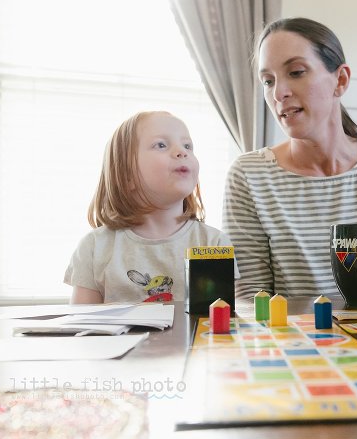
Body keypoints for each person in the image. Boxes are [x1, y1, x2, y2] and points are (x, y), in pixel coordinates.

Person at [224, 17, 357, 299]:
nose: (279, 93)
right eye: (268, 81)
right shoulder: (249, 175)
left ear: (340, 80)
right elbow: (250, 298)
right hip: (291, 343)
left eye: (296, 72)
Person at [64, 111, 234, 304]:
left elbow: (222, 322)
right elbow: (82, 325)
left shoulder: (214, 242)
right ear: (126, 175)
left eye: (188, 146)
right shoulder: (94, 248)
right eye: (161, 145)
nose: (182, 151)